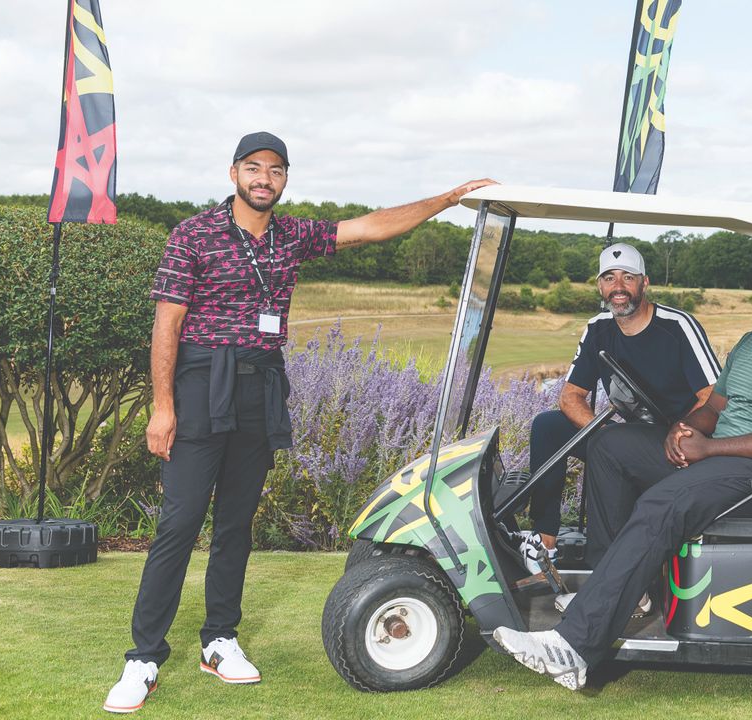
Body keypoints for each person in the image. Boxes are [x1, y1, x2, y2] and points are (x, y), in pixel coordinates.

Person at [103, 131, 494, 714]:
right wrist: (163, 406)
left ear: (285, 178)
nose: (265, 179)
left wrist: (447, 199)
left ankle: (220, 640)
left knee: (236, 524)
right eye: (254, 169)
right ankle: (143, 658)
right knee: (179, 524)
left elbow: (370, 226)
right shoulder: (194, 233)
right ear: (234, 173)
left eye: (276, 170)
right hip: (201, 379)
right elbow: (167, 322)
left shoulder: (292, 235)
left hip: (261, 382)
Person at [493, 253, 752, 690]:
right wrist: (684, 431)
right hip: (726, 460)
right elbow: (714, 406)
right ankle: (621, 594)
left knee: (663, 502)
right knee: (611, 444)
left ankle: (574, 649)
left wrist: (708, 449)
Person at [511, 242, 719, 573]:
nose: (618, 287)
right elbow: (571, 396)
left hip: (679, 442)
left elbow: (712, 394)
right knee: (548, 427)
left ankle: (608, 569)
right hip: (630, 435)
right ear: (600, 286)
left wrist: (681, 434)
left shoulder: (678, 326)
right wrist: (603, 433)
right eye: (609, 278)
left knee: (613, 445)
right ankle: (545, 541)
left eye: (628, 277)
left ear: (644, 283)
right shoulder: (598, 328)